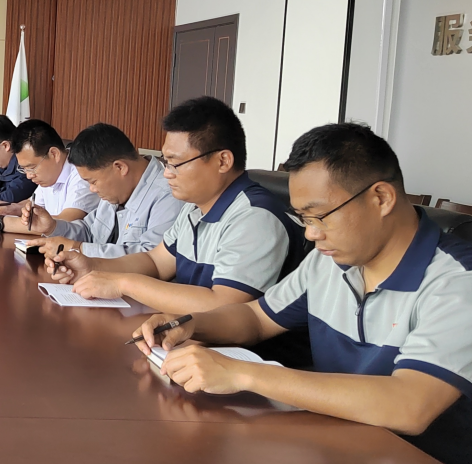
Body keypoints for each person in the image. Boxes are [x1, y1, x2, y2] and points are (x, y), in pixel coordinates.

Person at [131, 123, 472, 463]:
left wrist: (241, 373)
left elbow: (410, 405)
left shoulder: (457, 281)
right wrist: (191, 324)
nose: (310, 234)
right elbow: (256, 317)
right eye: (304, 219)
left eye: (319, 216)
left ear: (381, 198)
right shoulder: (330, 262)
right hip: (334, 440)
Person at [46, 96, 305, 315]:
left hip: (233, 353)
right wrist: (91, 266)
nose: (167, 173)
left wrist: (122, 283)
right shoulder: (194, 208)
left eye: (175, 163)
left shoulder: (255, 217)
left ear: (223, 161)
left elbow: (225, 306)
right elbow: (155, 261)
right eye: (166, 162)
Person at [19, 122, 184, 258]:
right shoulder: (117, 189)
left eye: (93, 182)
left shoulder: (168, 194)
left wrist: (79, 249)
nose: (92, 189)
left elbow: (150, 259)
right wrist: (53, 227)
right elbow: (89, 231)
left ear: (120, 167)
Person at [0, 119, 97, 230]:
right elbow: (35, 204)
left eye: (31, 168)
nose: (28, 176)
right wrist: (10, 208)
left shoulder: (82, 173)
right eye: (24, 169)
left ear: (54, 154)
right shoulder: (49, 173)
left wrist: (0, 222)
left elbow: (65, 222)